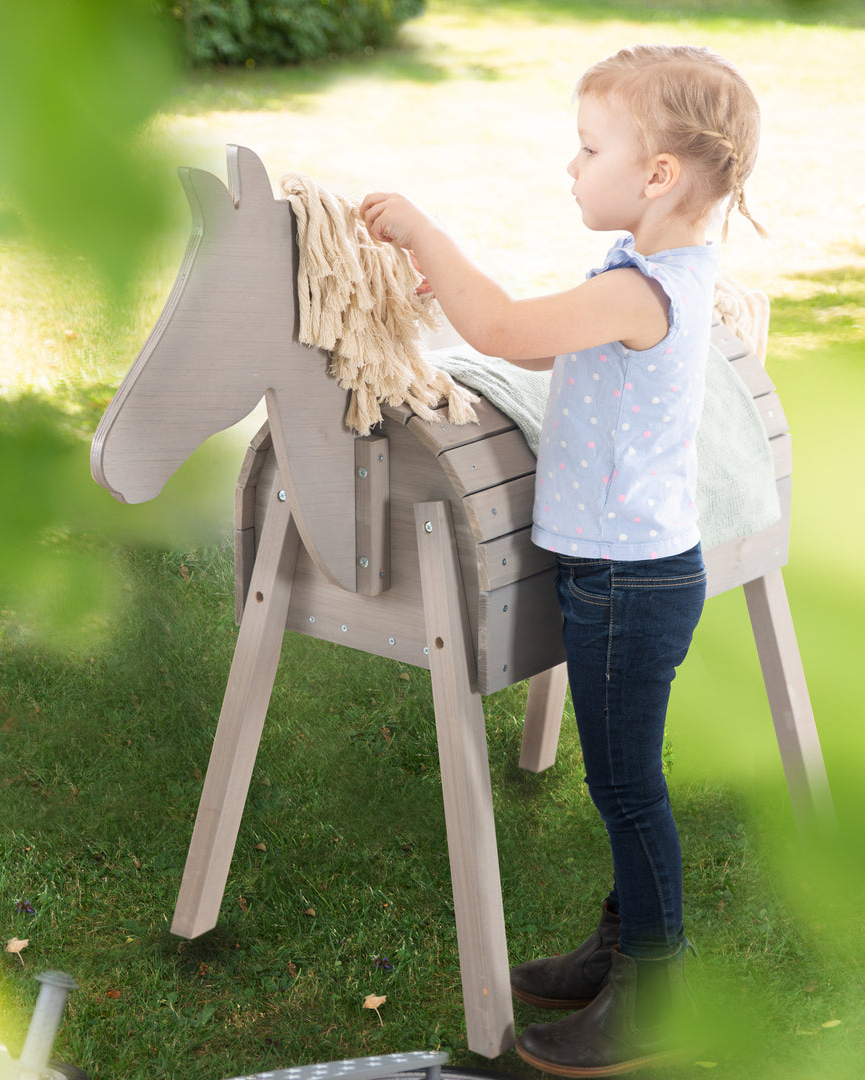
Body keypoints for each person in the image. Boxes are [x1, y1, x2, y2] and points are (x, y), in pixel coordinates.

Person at [361, 44, 765, 1076]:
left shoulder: (642, 290)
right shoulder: (646, 273)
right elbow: (523, 341)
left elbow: (501, 326)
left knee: (627, 789)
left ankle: (655, 987)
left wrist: (422, 229)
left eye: (588, 150)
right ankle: (621, 948)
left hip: (630, 583)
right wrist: (430, 292)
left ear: (658, 174)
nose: (569, 167)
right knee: (622, 782)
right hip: (623, 574)